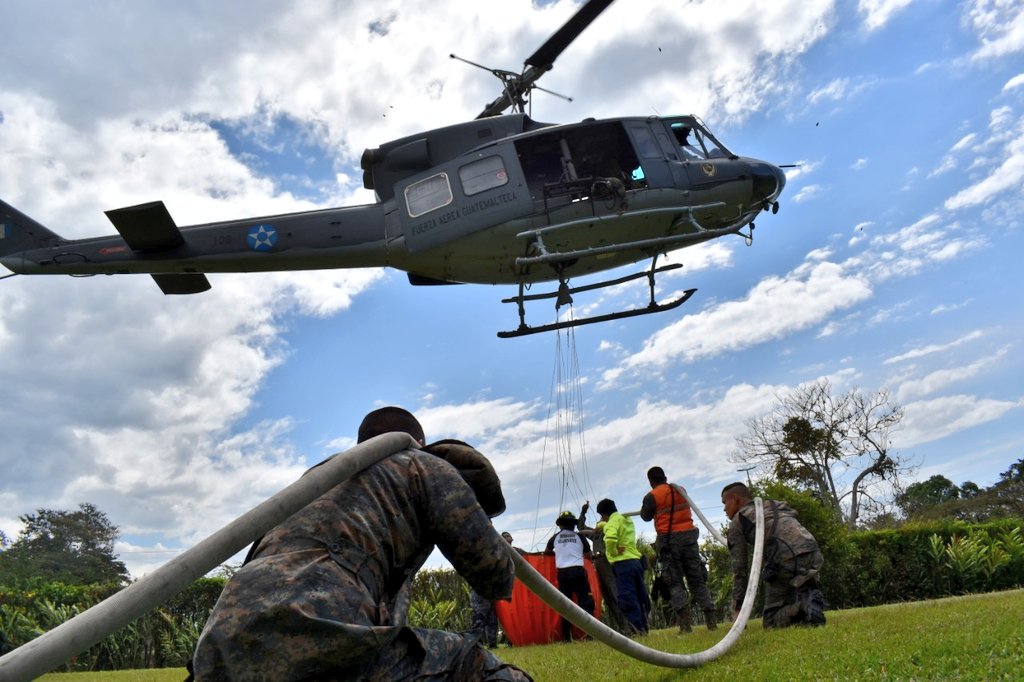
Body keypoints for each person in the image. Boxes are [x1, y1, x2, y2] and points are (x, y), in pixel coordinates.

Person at [190, 406, 532, 681]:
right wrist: (468, 499)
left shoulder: (314, 482)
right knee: (479, 667)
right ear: (418, 442)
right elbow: (494, 575)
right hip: (322, 645)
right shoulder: (423, 465)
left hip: (219, 655)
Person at [721, 482, 826, 629]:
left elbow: (740, 569)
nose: (724, 509)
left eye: (725, 503)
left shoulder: (738, 520)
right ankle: (809, 603)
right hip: (813, 553)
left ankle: (804, 606)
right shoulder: (774, 505)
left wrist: (738, 607)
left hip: (785, 560)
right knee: (790, 593)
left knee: (770, 621)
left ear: (735, 498)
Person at [640, 466, 718, 633]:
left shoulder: (652, 496)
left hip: (669, 544)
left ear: (651, 481)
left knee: (674, 582)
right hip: (690, 540)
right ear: (665, 477)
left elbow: (645, 516)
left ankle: (685, 626)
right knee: (697, 580)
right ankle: (712, 623)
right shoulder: (680, 490)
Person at [596, 498, 650, 635]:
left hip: (622, 564)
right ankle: (644, 627)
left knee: (627, 597)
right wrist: (601, 525)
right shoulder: (626, 519)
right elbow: (610, 523)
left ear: (604, 514)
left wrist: (613, 551)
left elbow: (610, 538)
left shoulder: (611, 524)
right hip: (636, 562)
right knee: (640, 595)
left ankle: (636, 629)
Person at [577, 502, 630, 634]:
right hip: (598, 565)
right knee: (607, 597)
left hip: (608, 563)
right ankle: (622, 628)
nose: (600, 523)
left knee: (615, 592)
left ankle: (629, 625)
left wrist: (602, 553)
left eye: (602, 520)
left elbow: (618, 546)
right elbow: (581, 527)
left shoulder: (612, 531)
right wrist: (583, 512)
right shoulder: (596, 535)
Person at [544, 510, 595, 642]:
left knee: (565, 605)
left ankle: (566, 637)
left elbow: (547, 552)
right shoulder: (580, 537)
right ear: (573, 525)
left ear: (560, 525)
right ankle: (590, 634)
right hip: (578, 572)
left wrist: (559, 554)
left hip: (563, 574)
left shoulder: (555, 537)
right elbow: (588, 555)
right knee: (586, 602)